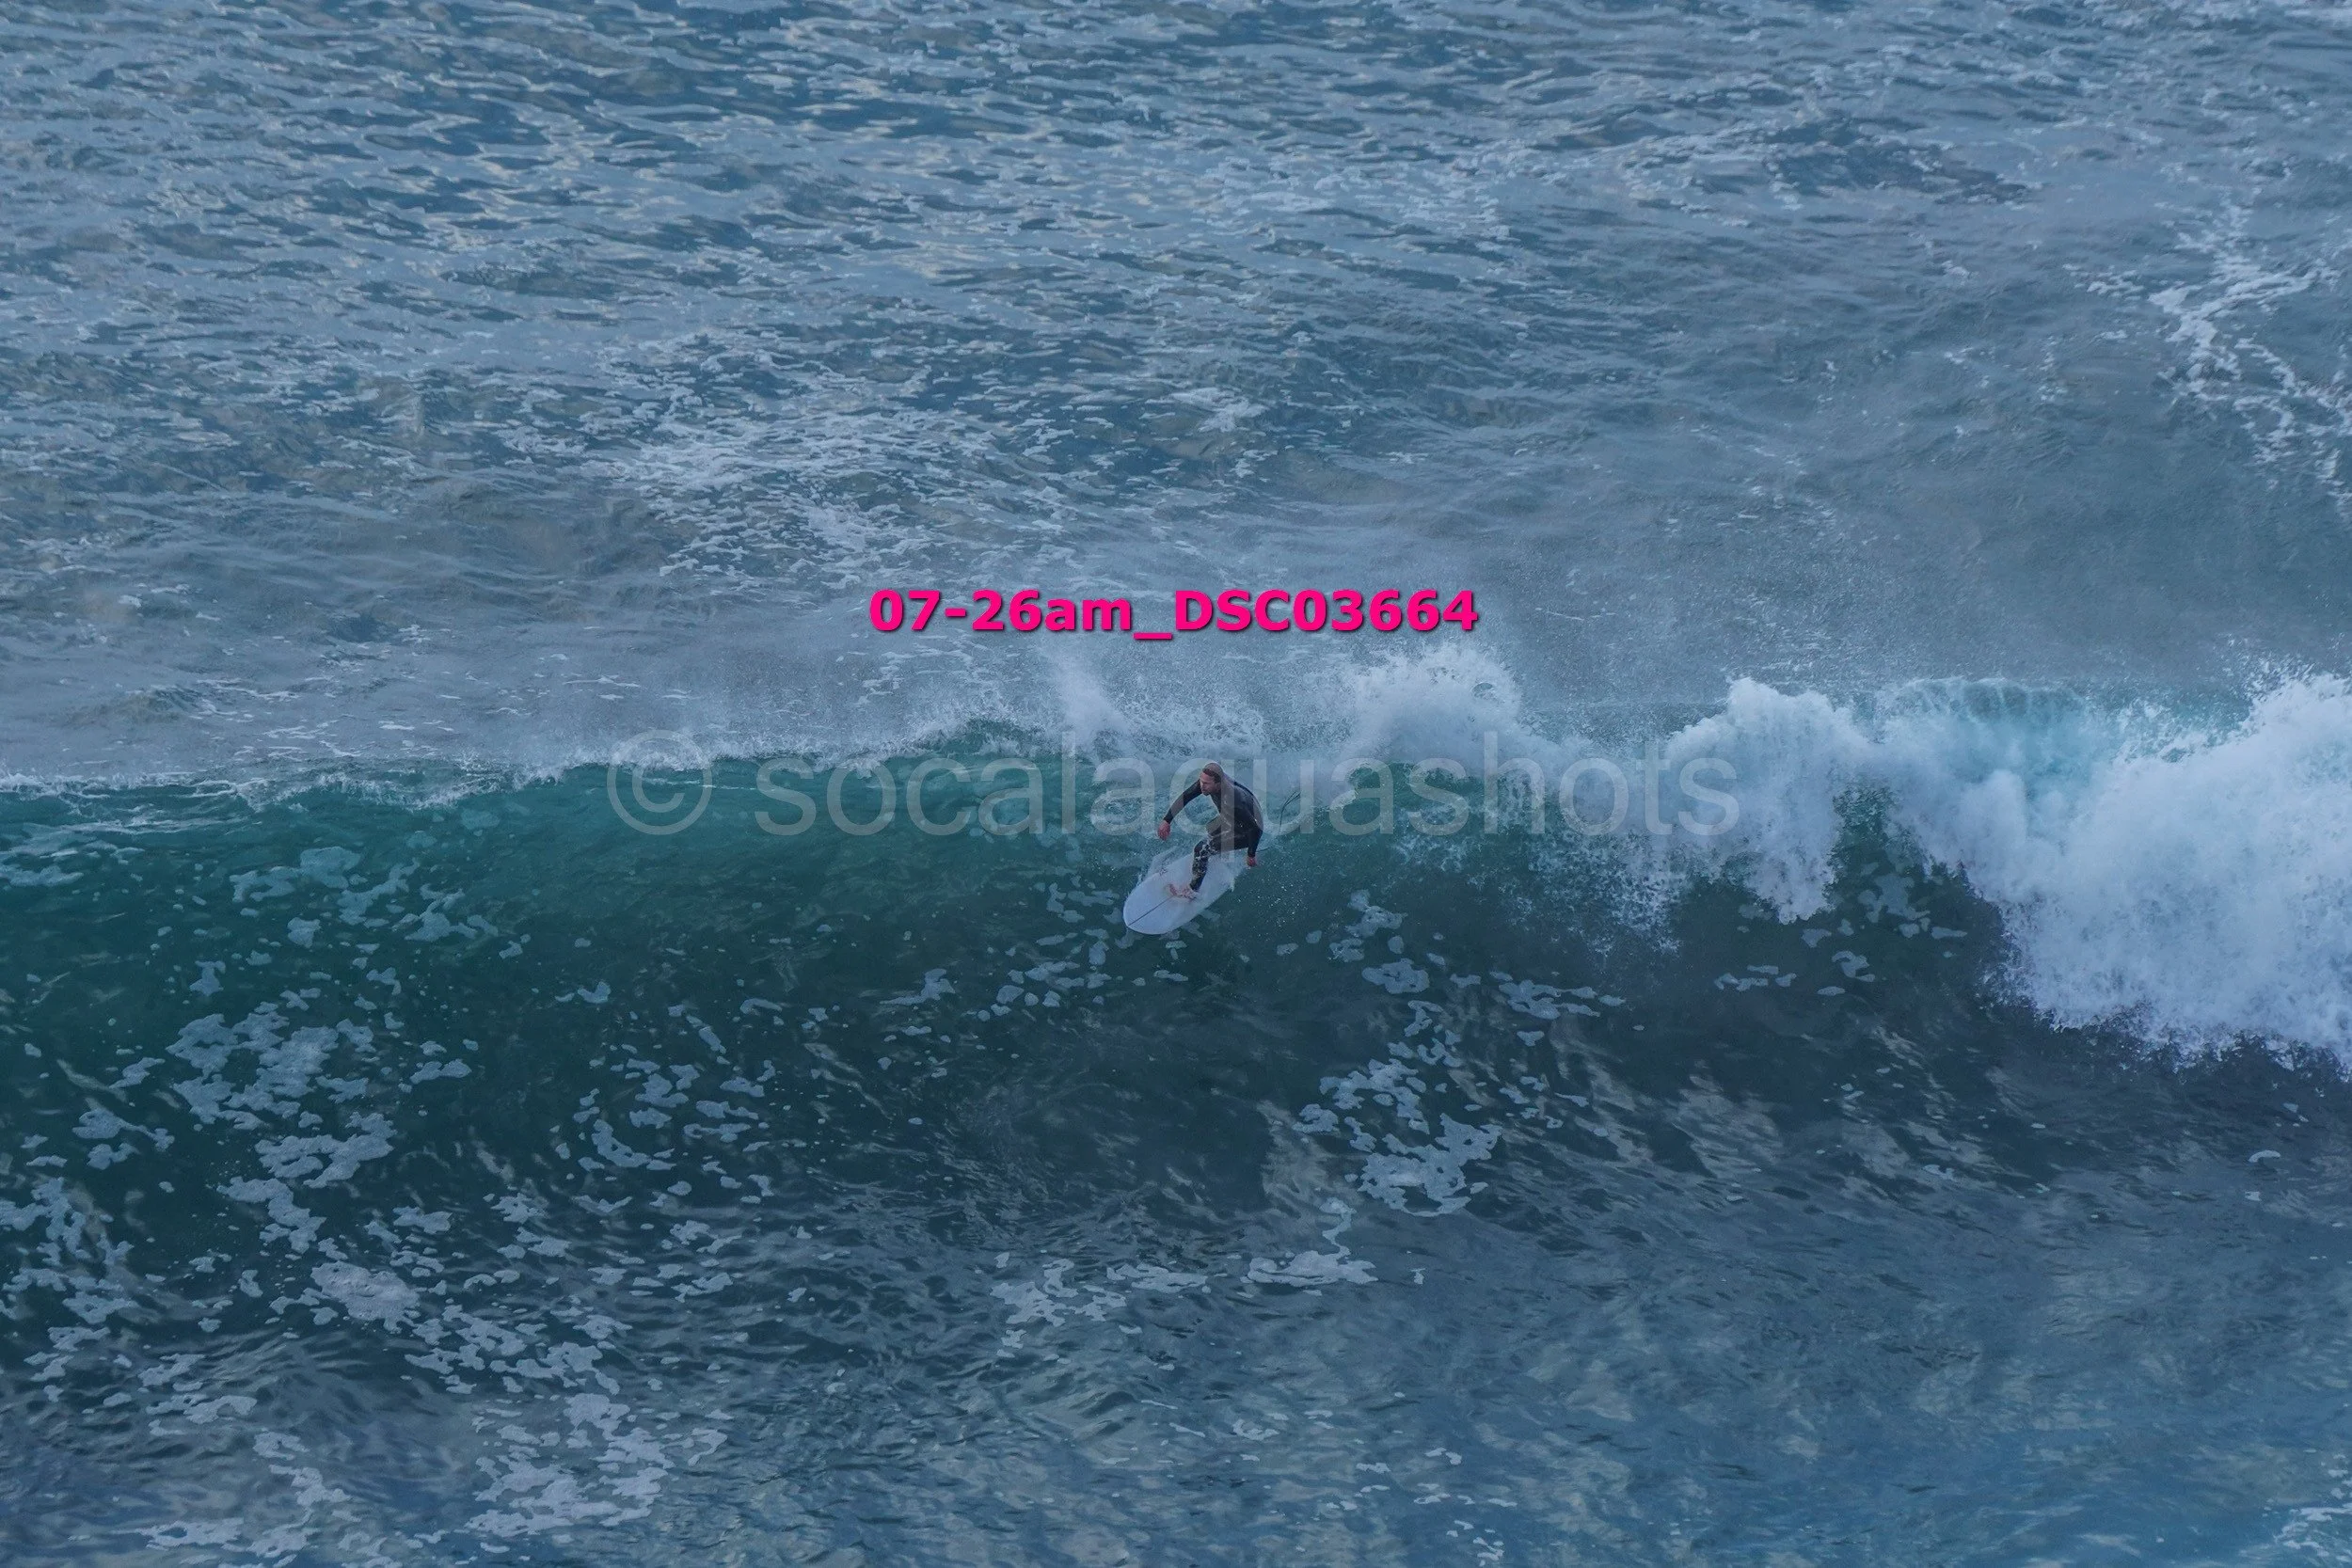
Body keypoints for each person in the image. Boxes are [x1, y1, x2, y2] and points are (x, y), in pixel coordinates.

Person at [1157, 762, 1262, 895]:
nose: (1202, 786)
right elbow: (1186, 796)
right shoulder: (1209, 783)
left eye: (1206, 783)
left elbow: (1256, 828)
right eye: (1201, 781)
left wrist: (1251, 854)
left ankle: (1192, 891)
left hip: (1245, 830)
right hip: (1231, 819)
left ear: (1218, 784)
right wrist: (1167, 820)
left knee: (1201, 850)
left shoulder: (1232, 800)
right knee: (1211, 828)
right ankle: (1218, 850)